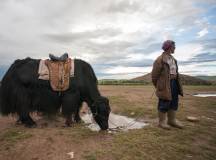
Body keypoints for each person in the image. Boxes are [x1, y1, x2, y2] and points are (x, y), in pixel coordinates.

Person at [151, 40, 184, 129]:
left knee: (174, 101)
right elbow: (154, 76)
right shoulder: (160, 59)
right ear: (169, 47)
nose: (175, 48)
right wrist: (159, 86)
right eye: (173, 46)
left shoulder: (173, 59)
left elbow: (175, 72)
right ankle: (161, 122)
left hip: (174, 83)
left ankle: (171, 120)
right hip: (164, 85)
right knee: (164, 102)